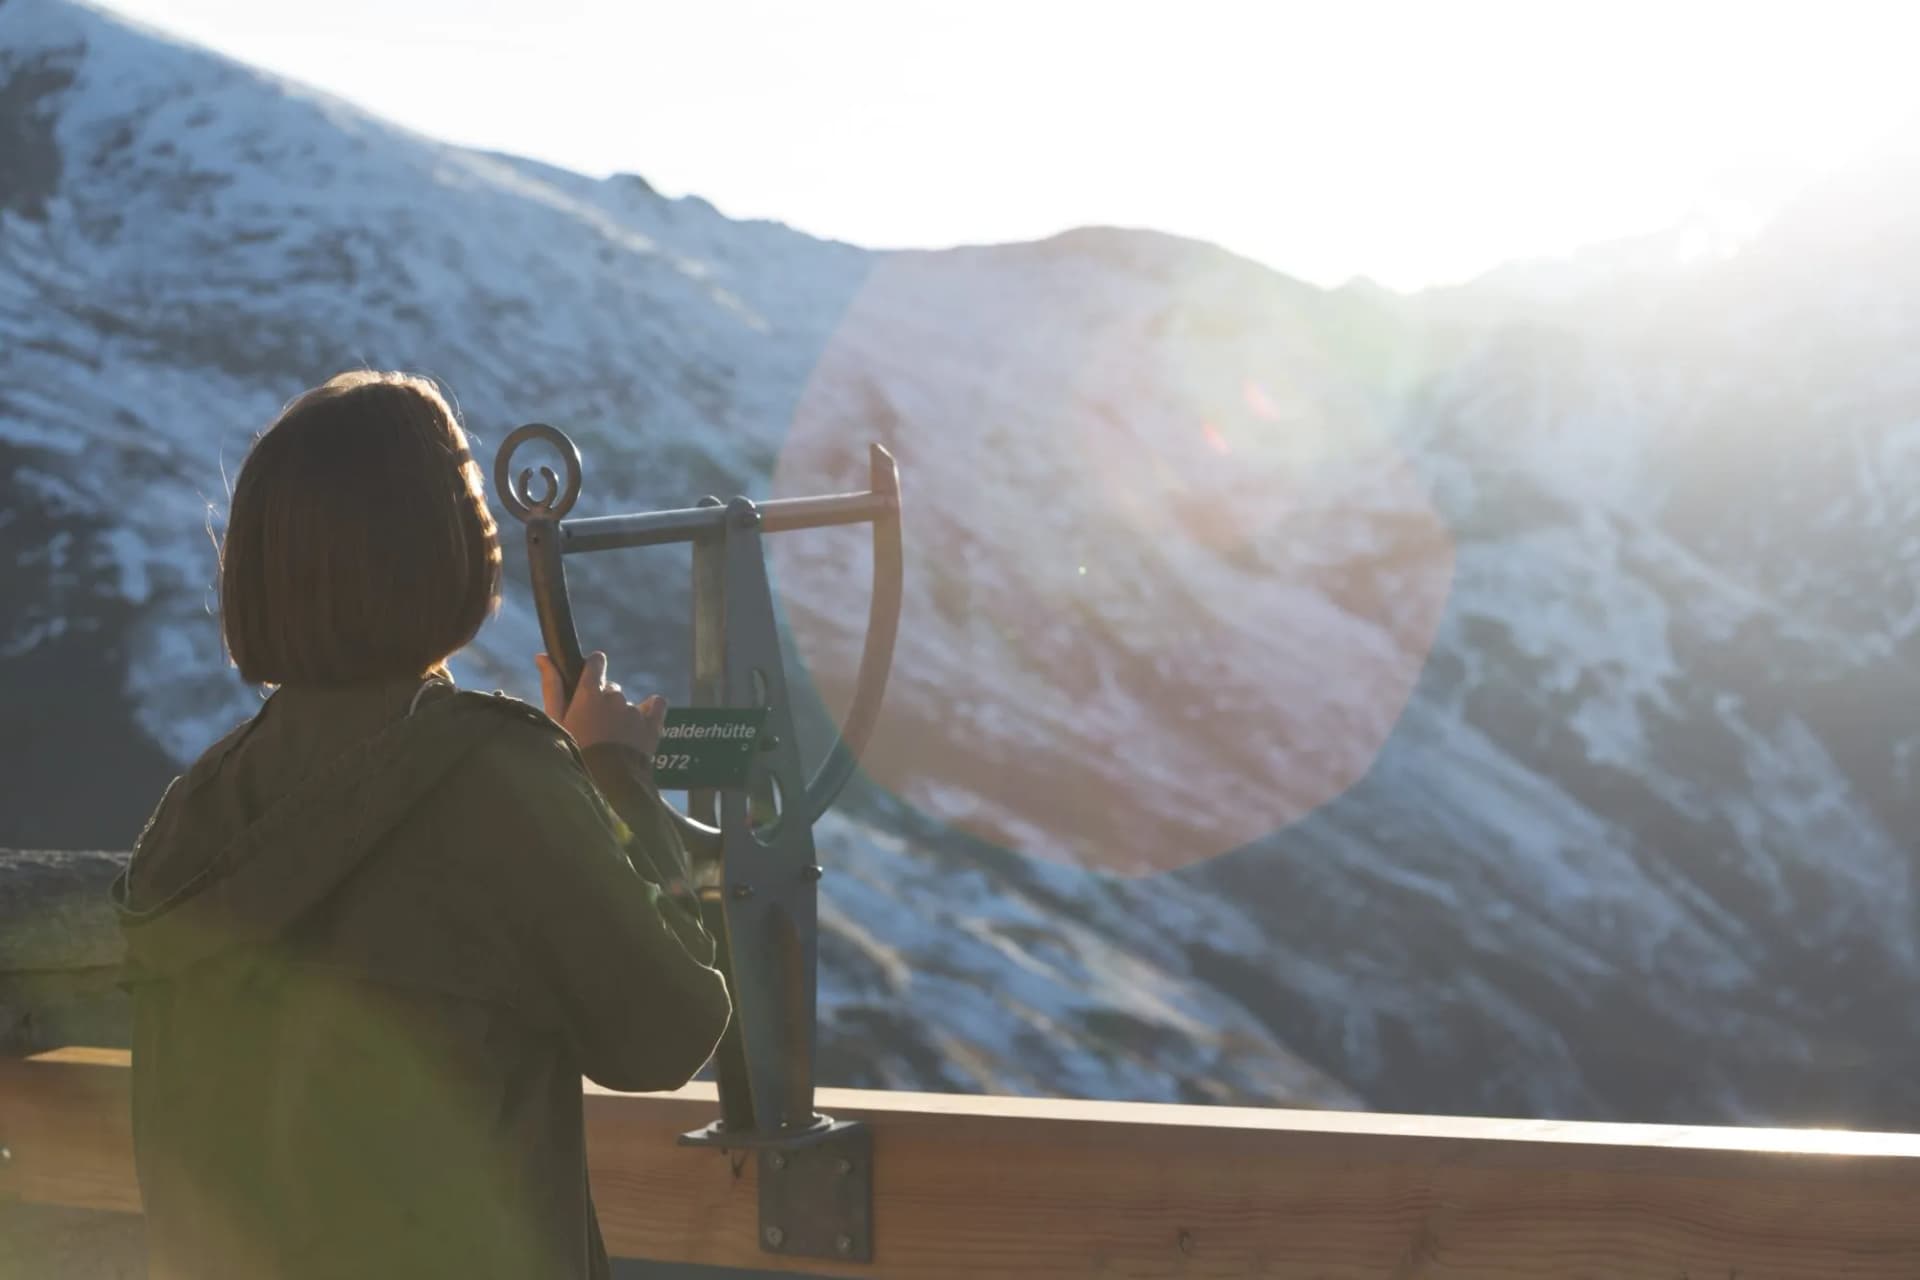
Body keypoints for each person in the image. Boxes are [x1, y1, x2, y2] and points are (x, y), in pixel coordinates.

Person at [111, 371, 731, 1279]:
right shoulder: (491, 780)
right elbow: (669, 1030)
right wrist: (616, 777)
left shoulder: (193, 809)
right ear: (447, 553)